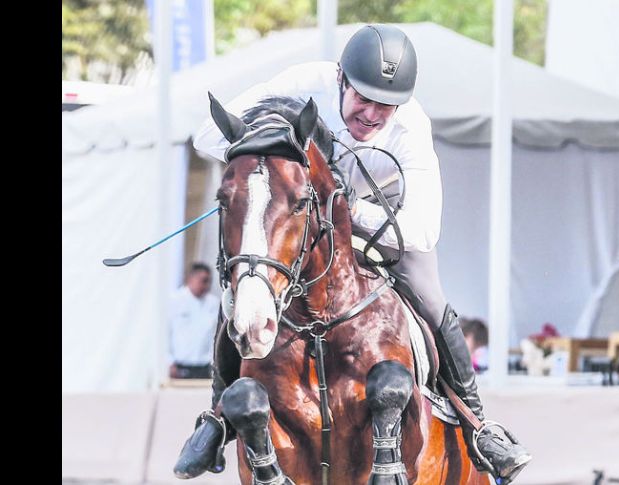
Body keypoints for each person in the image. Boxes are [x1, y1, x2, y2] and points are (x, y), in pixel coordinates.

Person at [176, 24, 531, 482]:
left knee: (430, 296)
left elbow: (423, 230)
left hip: (372, 221)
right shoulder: (304, 83)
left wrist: (344, 207)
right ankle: (216, 417)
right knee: (244, 294)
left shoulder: (410, 127)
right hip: (294, 219)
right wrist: (271, 157)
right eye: (363, 97)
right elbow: (207, 134)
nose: (372, 113)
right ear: (341, 78)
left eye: (386, 104)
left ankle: (478, 424)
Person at [168, 263, 218, 379]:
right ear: (191, 278)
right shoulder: (175, 300)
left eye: (209, 281)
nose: (207, 285)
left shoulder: (213, 303)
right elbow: (165, 333)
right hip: (180, 366)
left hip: (206, 367)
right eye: (204, 280)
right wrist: (168, 361)